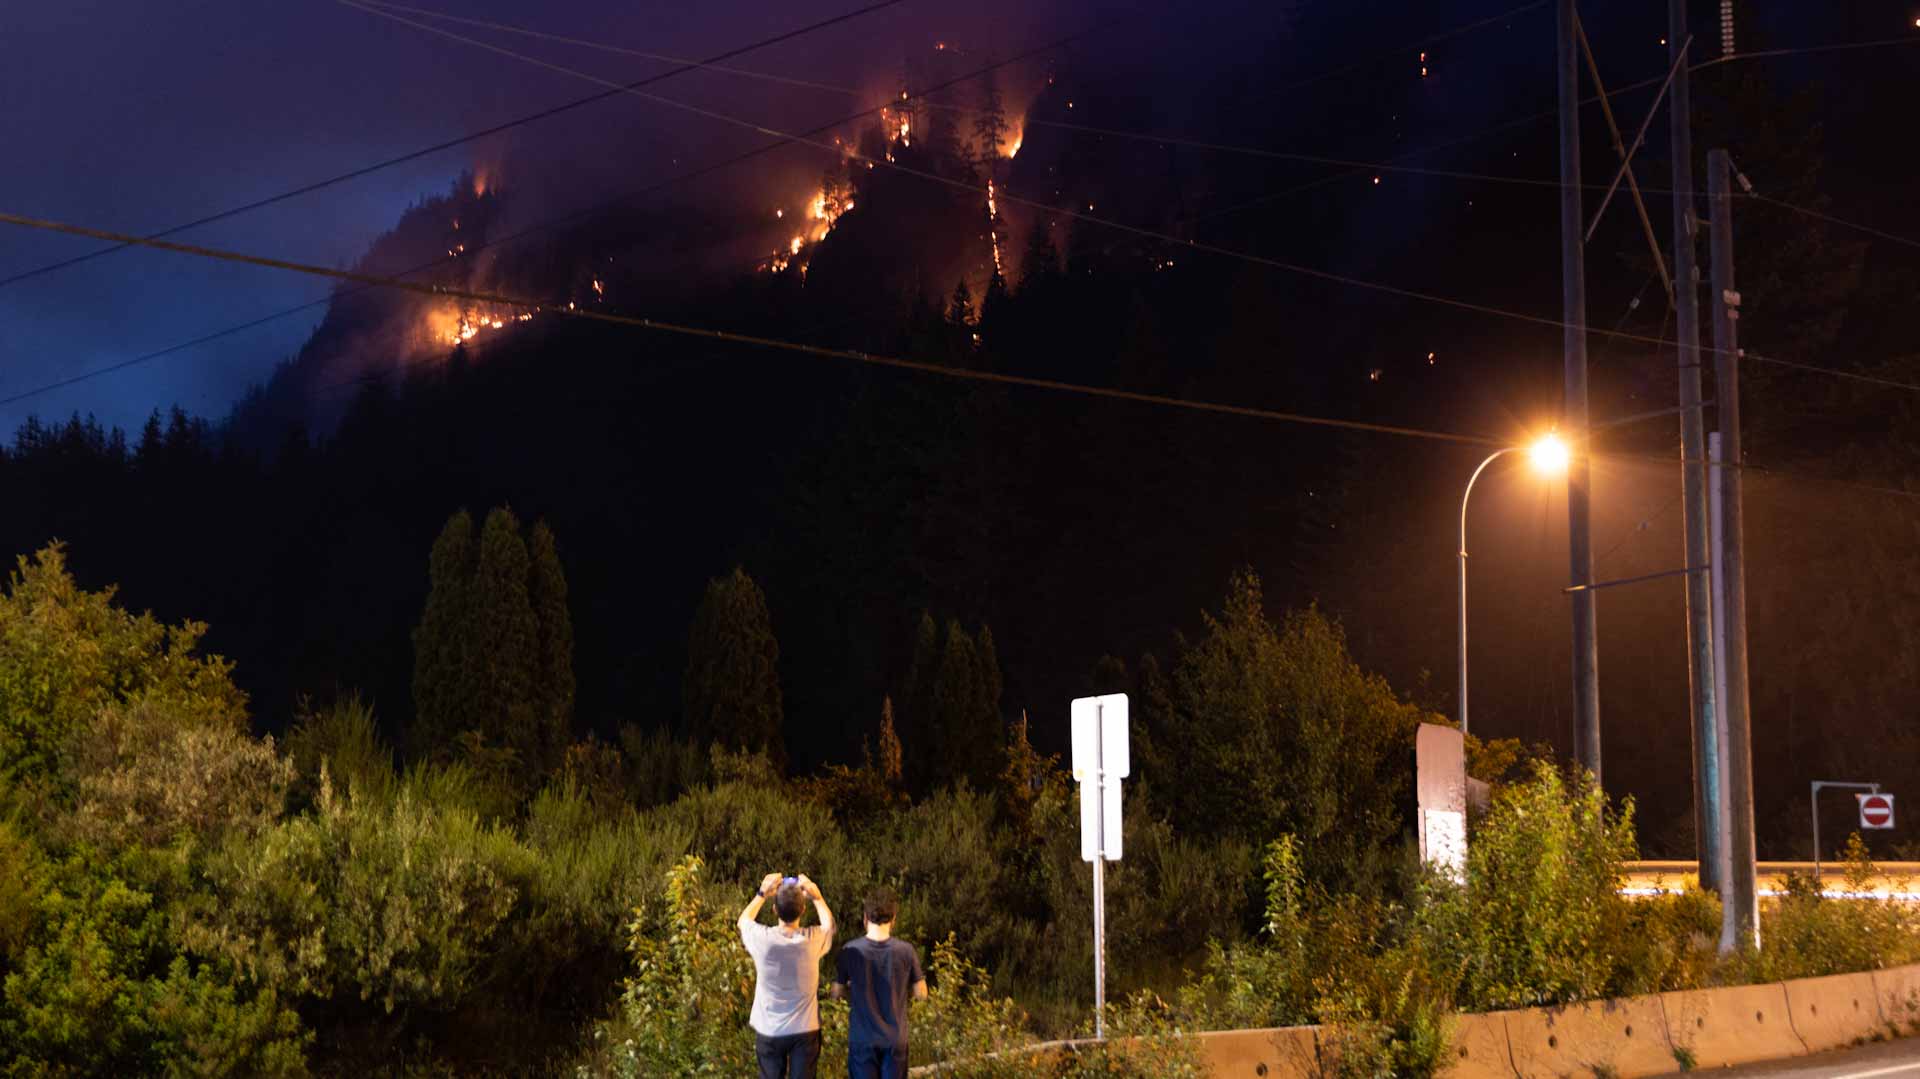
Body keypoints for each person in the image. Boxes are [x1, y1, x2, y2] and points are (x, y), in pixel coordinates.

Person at [739, 871, 835, 1079]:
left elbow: (743, 921)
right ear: (802, 910)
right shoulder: (812, 940)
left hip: (769, 1029)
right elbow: (829, 925)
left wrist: (762, 893)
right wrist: (817, 897)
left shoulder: (763, 940)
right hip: (805, 1030)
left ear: (774, 910)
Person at [831, 888, 927, 1079]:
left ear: (865, 918)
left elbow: (835, 994)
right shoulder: (906, 951)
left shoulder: (849, 950)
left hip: (862, 1039)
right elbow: (921, 994)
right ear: (893, 919)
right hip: (895, 1040)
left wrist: (853, 992)